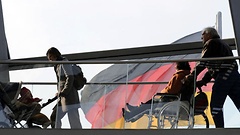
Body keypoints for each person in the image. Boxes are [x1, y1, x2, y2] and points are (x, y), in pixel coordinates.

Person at [186, 27, 240, 128]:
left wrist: (191, 76)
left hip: (225, 75)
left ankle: (220, 130)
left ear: (209, 34)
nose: (202, 39)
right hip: (234, 75)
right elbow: (213, 68)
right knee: (238, 101)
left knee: (216, 105)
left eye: (203, 35)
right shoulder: (224, 44)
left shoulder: (211, 43)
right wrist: (203, 81)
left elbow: (203, 63)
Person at [122, 61, 192, 122]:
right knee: (149, 104)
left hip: (169, 100)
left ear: (178, 66)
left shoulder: (179, 75)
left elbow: (172, 90)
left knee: (149, 105)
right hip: (172, 100)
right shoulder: (185, 75)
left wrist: (163, 92)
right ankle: (136, 111)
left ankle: (132, 114)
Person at [46, 47, 82, 129]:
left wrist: (64, 91)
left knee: (73, 120)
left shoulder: (64, 62)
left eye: (50, 57)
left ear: (54, 55)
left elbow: (70, 77)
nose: (50, 60)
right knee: (54, 116)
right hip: (63, 96)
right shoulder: (58, 65)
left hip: (69, 95)